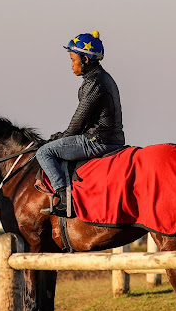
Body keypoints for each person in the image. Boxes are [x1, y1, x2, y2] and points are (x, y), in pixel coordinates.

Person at [35, 31, 124, 217]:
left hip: (98, 140)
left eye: (72, 59)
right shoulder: (101, 77)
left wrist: (63, 136)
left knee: (44, 152)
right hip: (109, 137)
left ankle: (64, 199)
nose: (71, 65)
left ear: (84, 59)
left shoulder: (94, 82)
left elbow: (79, 119)